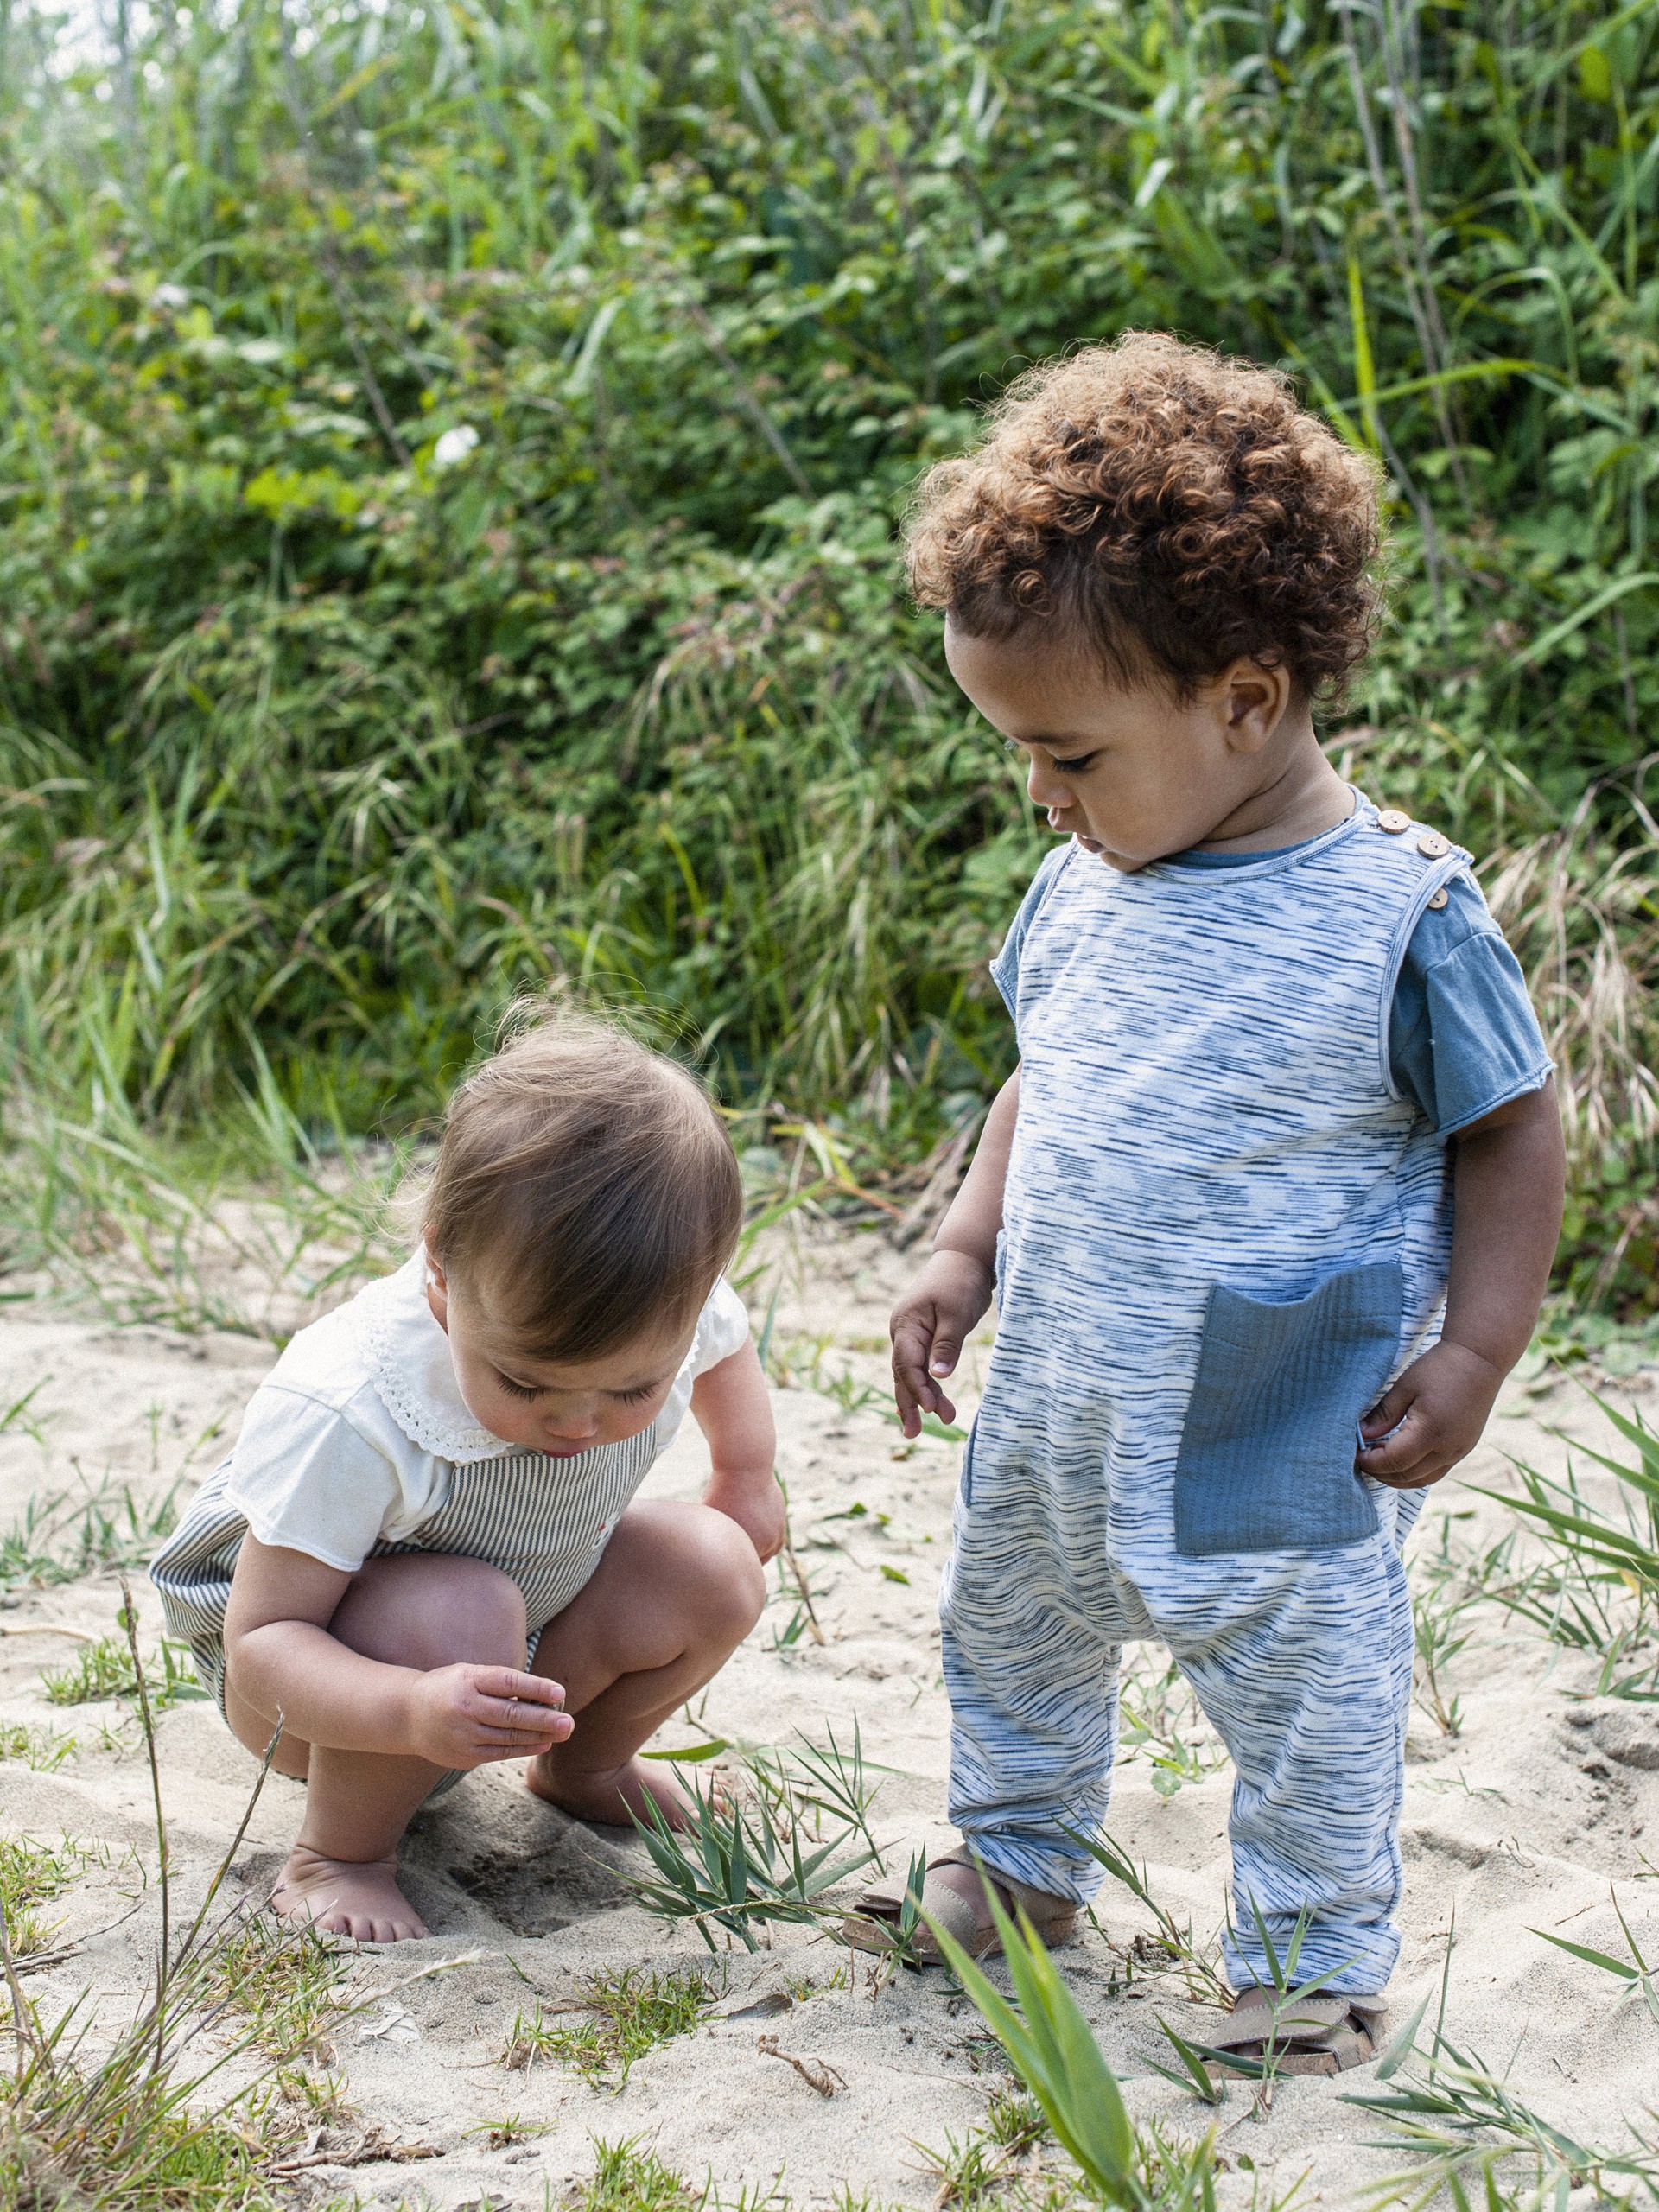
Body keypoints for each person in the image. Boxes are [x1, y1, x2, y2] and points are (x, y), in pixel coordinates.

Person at [853, 334, 1565, 2074]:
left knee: (1304, 1677)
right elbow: (1051, 1070)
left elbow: (1513, 1121)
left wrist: (1476, 1348)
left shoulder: (1398, 908)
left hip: (1277, 1386)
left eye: (1072, 752)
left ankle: (1308, 1956)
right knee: (1011, 1623)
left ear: (1244, 698)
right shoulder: (1082, 883)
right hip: (1066, 1380)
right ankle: (1016, 1865)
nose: (1041, 789)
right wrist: (961, 1242)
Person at [152, 1009, 783, 1943]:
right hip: (328, 1686)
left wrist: (744, 1470)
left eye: (631, 1388)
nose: (577, 1423)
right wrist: (406, 1710)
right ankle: (340, 1853)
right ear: (443, 1271)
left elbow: (726, 1347)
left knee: (716, 1564)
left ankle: (584, 1766)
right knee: (459, 1604)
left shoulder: (664, 1303)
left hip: (513, 1633)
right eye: (526, 1382)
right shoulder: (354, 1406)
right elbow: (263, 1643)